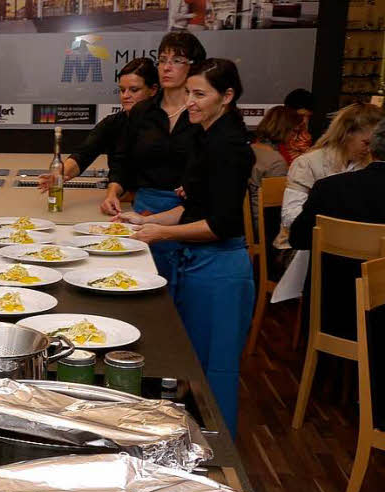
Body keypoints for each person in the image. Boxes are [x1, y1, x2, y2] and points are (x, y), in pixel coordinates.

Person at [115, 59, 256, 435]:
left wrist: (161, 235)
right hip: (199, 268)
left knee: (216, 374)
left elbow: (219, 225)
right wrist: (146, 221)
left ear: (227, 97)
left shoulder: (230, 147)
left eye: (199, 94)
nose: (189, 102)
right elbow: (190, 210)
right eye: (189, 93)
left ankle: (220, 453)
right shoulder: (206, 137)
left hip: (220, 274)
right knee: (193, 369)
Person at [105, 32, 207, 279]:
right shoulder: (142, 111)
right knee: (145, 282)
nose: (167, 67)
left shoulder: (202, 112)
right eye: (162, 60)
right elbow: (123, 159)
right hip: (145, 210)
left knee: (185, 289)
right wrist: (113, 191)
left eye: (177, 60)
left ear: (195, 66)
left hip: (191, 214)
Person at [38, 58, 158, 193]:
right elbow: (84, 154)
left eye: (134, 90)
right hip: (118, 201)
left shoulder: (164, 125)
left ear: (153, 90)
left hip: (154, 206)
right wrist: (60, 173)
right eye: (122, 90)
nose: (125, 96)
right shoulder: (112, 123)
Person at [276, 102, 384, 250]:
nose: (370, 149)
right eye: (365, 143)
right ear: (346, 134)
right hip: (304, 246)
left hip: (357, 247)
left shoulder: (371, 167)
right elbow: (290, 217)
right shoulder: (308, 163)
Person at [248, 106, 302, 241]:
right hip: (261, 228)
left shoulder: (248, 150)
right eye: (294, 131)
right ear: (284, 129)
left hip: (240, 224)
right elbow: (275, 209)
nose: (294, 137)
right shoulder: (276, 161)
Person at [281, 88, 314, 164]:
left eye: (308, 117)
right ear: (288, 113)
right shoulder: (276, 134)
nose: (305, 121)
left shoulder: (306, 136)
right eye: (300, 116)